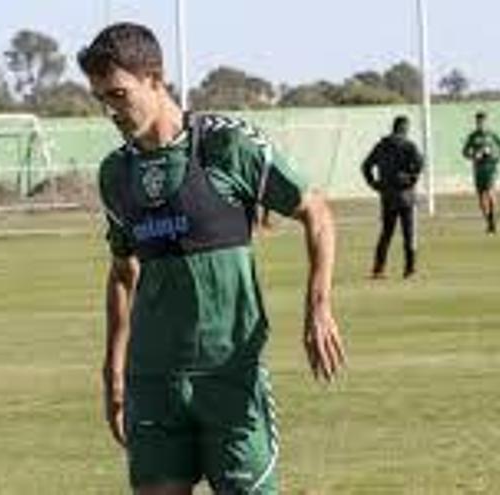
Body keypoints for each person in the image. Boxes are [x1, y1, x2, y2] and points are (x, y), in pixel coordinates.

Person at [78, 22, 345, 495]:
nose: (110, 110)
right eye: (101, 98)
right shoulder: (116, 174)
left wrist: (319, 306)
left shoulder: (225, 145)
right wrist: (112, 370)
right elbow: (123, 272)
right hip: (153, 380)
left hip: (230, 375)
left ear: (155, 79)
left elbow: (317, 212)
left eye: (118, 94)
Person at [361, 115, 424, 278]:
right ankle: (410, 270)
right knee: (409, 234)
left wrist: (373, 183)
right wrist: (412, 178)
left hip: (387, 196)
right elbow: (419, 165)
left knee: (386, 233)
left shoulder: (381, 145)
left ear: (393, 127)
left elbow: (366, 165)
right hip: (406, 196)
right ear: (405, 128)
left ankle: (378, 269)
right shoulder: (409, 146)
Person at [463, 111, 500, 233]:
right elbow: (465, 152)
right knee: (481, 199)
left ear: (486, 122)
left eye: (483, 121)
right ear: (476, 122)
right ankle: (489, 222)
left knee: (490, 193)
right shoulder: (473, 136)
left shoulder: (492, 135)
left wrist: (493, 154)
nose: (481, 124)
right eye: (479, 122)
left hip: (490, 169)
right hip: (478, 171)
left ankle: (493, 220)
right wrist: (474, 155)